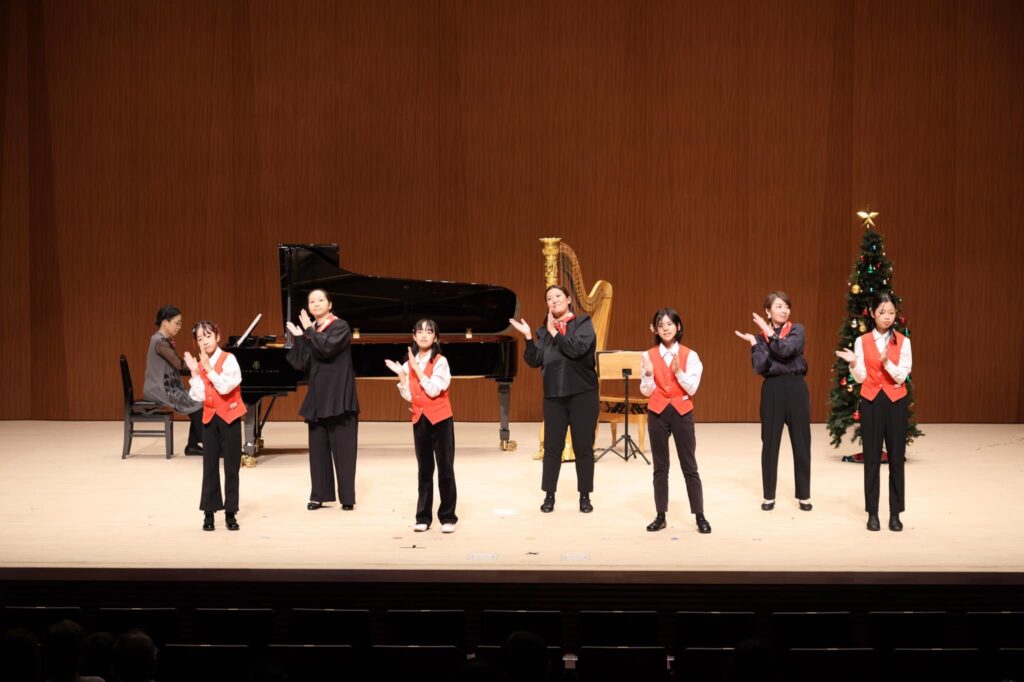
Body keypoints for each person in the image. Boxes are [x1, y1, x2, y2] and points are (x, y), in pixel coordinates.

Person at [509, 285, 599, 514]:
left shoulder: (583, 324)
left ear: (569, 299)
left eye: (558, 296)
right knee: (552, 448)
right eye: (549, 298)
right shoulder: (544, 332)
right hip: (554, 397)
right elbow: (534, 360)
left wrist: (554, 331)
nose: (553, 300)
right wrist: (530, 337)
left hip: (582, 395)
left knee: (583, 447)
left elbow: (576, 349)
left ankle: (585, 496)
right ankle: (549, 495)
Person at [835, 293, 913, 532]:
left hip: (895, 402)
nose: (887, 317)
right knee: (871, 459)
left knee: (896, 460)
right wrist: (852, 363)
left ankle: (895, 514)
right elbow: (860, 378)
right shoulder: (862, 340)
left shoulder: (903, 341)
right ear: (872, 313)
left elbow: (902, 375)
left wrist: (887, 362)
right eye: (882, 312)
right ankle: (872, 513)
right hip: (870, 401)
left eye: (891, 312)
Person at [734, 291, 812, 512]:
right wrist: (754, 344)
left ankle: (804, 495)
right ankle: (769, 495)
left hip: (796, 388)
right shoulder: (758, 337)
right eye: (778, 306)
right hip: (772, 390)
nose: (784, 310)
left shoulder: (797, 330)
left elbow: (787, 350)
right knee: (770, 444)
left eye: (786, 306)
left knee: (802, 442)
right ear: (767, 311)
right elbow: (761, 366)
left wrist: (770, 340)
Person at [639, 308, 711, 534]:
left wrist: (679, 372)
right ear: (656, 330)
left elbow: (693, 388)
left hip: (681, 412)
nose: (666, 328)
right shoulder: (648, 356)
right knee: (661, 467)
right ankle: (660, 515)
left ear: (678, 327)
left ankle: (699, 515)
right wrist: (649, 375)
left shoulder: (691, 355)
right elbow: (645, 390)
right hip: (658, 412)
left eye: (670, 324)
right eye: (661, 325)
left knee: (689, 466)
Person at [286, 289, 359, 511]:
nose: (316, 304)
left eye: (320, 300)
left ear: (329, 303)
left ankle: (347, 497)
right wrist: (299, 339)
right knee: (317, 449)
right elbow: (300, 364)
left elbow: (326, 348)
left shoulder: (340, 326)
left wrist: (308, 330)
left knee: (344, 449)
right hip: (318, 395)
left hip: (339, 394)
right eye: (311, 301)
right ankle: (319, 495)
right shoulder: (313, 330)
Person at [385, 319, 458, 533]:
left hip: (441, 419)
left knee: (445, 468)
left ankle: (448, 516)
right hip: (420, 419)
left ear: (435, 337)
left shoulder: (441, 361)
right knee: (424, 469)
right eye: (420, 331)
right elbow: (410, 396)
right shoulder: (409, 363)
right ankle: (423, 516)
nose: (424, 335)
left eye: (429, 331)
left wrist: (416, 370)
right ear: (414, 336)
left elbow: (434, 390)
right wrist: (401, 375)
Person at [185, 320, 246, 531]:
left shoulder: (230, 360)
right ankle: (208, 513)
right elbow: (200, 395)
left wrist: (209, 369)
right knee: (209, 466)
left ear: (217, 336)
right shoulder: (201, 364)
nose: (204, 341)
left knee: (231, 466)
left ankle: (231, 512)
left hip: (229, 417)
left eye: (208, 336)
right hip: (209, 418)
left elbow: (226, 386)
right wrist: (195, 372)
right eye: (200, 338)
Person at [143, 305, 203, 455]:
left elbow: (179, 366)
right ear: (165, 322)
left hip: (166, 387)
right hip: (160, 389)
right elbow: (179, 365)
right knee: (198, 402)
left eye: (181, 323)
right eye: (177, 323)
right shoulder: (159, 341)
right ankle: (209, 446)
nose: (180, 327)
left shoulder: (162, 340)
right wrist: (202, 368)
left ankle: (193, 446)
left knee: (199, 399)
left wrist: (197, 368)